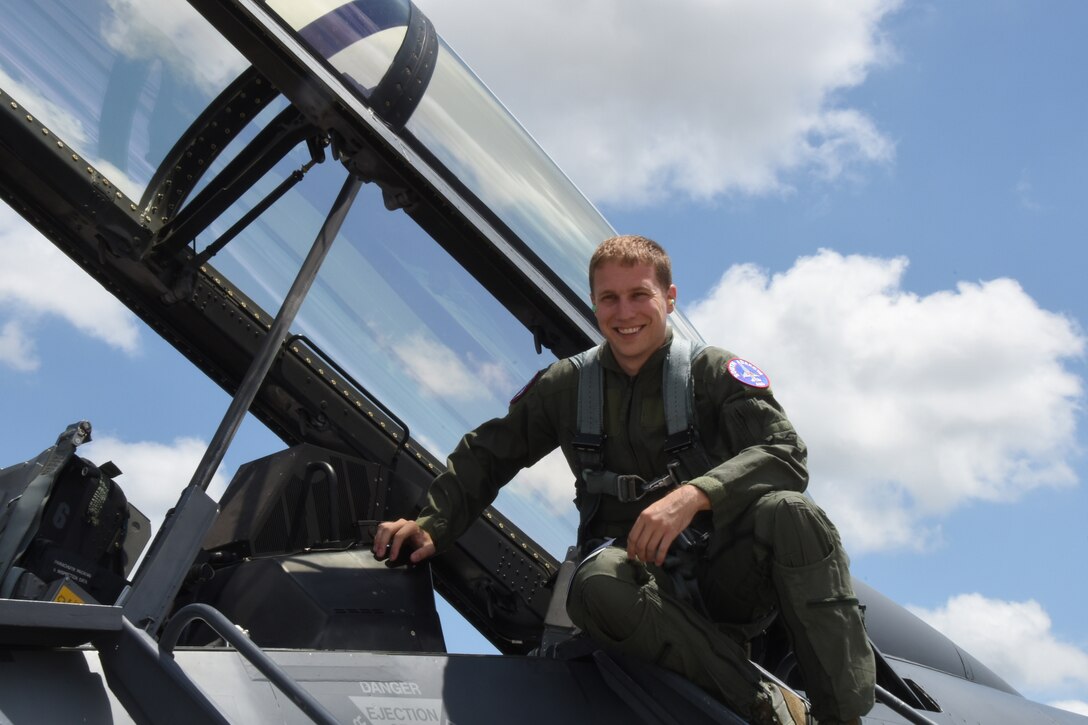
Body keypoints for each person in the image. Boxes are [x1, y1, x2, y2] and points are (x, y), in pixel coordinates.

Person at [373, 235, 875, 724]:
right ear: (594, 304)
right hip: (637, 584)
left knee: (794, 513)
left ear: (669, 298)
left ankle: (840, 718)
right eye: (609, 298)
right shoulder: (566, 388)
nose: (625, 312)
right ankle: (765, 706)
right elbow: (488, 454)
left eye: (640, 295)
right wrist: (430, 525)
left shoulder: (713, 374)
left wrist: (695, 495)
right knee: (595, 582)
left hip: (727, 575)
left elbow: (785, 452)